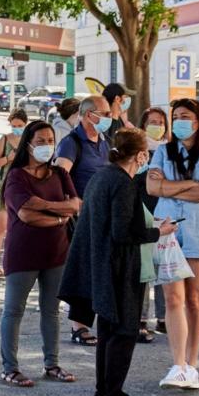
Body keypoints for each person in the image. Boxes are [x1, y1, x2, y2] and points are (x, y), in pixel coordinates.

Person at [61, 129, 176, 396]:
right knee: (123, 335)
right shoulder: (123, 183)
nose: (147, 157)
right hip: (120, 270)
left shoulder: (102, 176)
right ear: (139, 155)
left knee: (109, 336)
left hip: (101, 268)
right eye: (145, 153)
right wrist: (157, 232)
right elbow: (124, 232)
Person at [147, 98, 199, 389]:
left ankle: (192, 365)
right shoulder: (163, 151)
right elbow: (152, 187)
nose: (179, 121)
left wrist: (173, 187)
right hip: (167, 230)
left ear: (198, 121)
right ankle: (177, 365)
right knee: (172, 299)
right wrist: (193, 185)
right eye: (176, 116)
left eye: (185, 116)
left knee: (193, 299)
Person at [0, 120, 79, 387]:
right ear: (28, 144)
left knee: (51, 310)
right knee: (14, 310)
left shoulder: (59, 173)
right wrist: (58, 213)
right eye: (41, 141)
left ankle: (51, 364)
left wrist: (49, 209)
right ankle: (10, 368)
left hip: (57, 252)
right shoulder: (17, 176)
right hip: (23, 254)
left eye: (50, 140)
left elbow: (75, 205)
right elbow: (26, 213)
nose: (47, 145)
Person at [55, 95, 113, 346]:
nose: (110, 118)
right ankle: (79, 327)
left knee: (98, 272)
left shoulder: (105, 142)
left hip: (104, 217)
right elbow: (59, 175)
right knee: (83, 272)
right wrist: (72, 202)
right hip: (80, 219)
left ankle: (91, 322)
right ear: (89, 115)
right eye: (105, 113)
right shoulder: (72, 143)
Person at [135, 107, 170, 339]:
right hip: (141, 212)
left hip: (165, 213)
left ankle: (164, 318)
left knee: (163, 267)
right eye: (152, 122)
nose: (156, 125)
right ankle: (140, 318)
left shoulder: (170, 151)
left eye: (160, 122)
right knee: (143, 270)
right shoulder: (136, 151)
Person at [0, 109, 27, 279]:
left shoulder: (29, 141)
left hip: (23, 188)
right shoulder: (4, 139)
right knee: (0, 228)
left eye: (20, 126)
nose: (17, 128)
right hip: (4, 188)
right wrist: (9, 158)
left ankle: (13, 263)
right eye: (14, 126)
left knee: (19, 228)